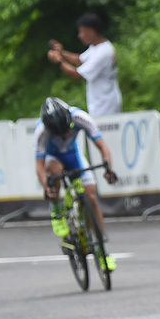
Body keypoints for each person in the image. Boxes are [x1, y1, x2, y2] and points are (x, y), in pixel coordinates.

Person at [33, 97, 120, 271]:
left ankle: (102, 250)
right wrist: (47, 187)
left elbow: (102, 146)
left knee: (92, 197)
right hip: (53, 158)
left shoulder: (80, 117)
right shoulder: (41, 130)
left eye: (67, 130)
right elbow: (40, 166)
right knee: (54, 171)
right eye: (59, 133)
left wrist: (108, 169)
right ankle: (57, 209)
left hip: (74, 156)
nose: (65, 135)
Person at [48, 13, 123, 116]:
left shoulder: (103, 52)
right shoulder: (98, 46)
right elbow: (80, 59)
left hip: (106, 107)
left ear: (91, 32)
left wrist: (59, 61)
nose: (80, 36)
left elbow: (77, 75)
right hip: (100, 104)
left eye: (81, 32)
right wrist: (62, 52)